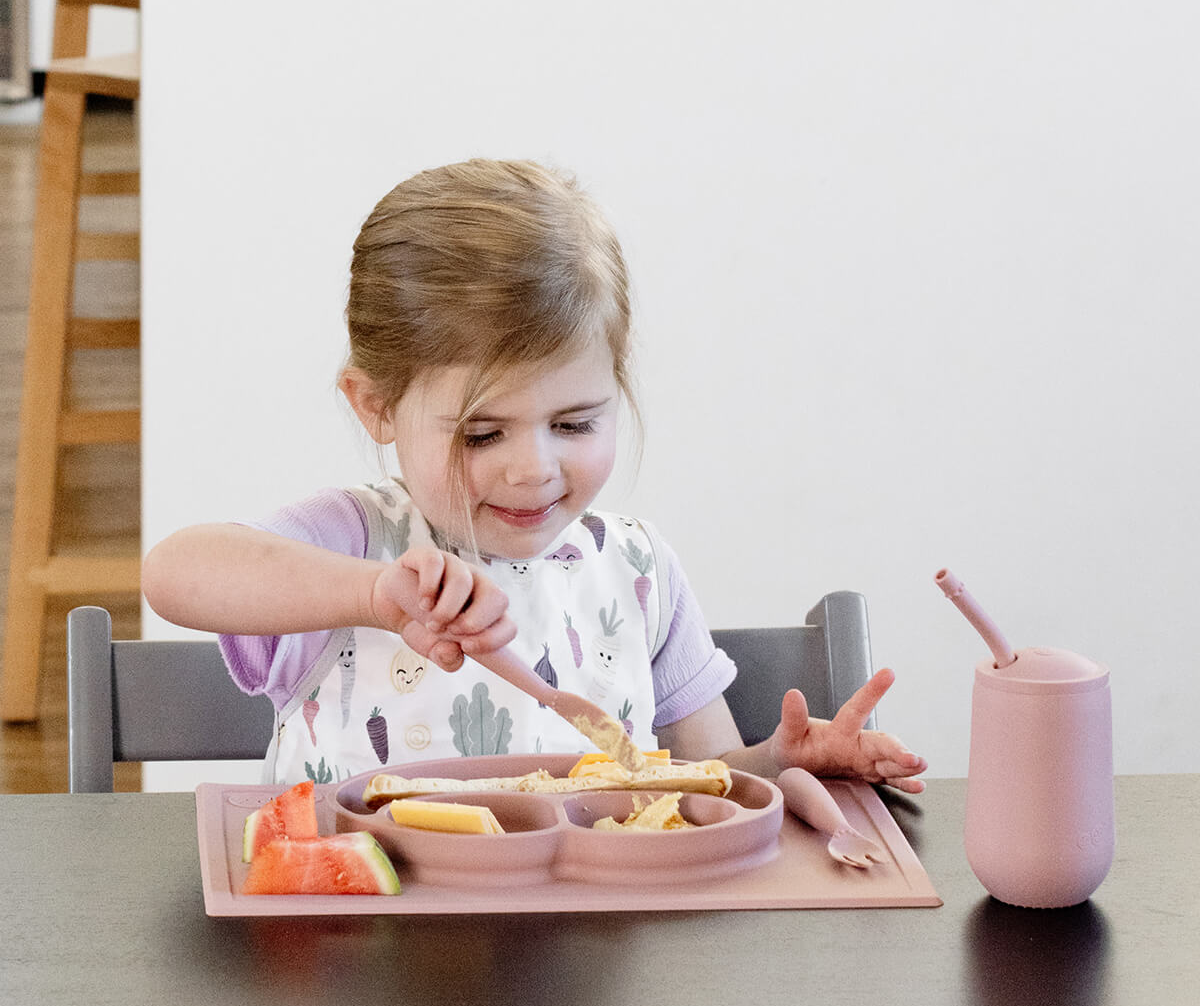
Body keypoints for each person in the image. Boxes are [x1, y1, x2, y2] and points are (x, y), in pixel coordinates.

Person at [142, 159, 927, 793]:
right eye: (482, 433)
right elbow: (175, 572)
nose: (533, 470)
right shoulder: (354, 544)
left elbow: (705, 776)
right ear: (376, 406)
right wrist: (373, 596)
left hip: (592, 941)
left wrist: (782, 765)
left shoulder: (639, 572)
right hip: (366, 937)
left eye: (575, 424)